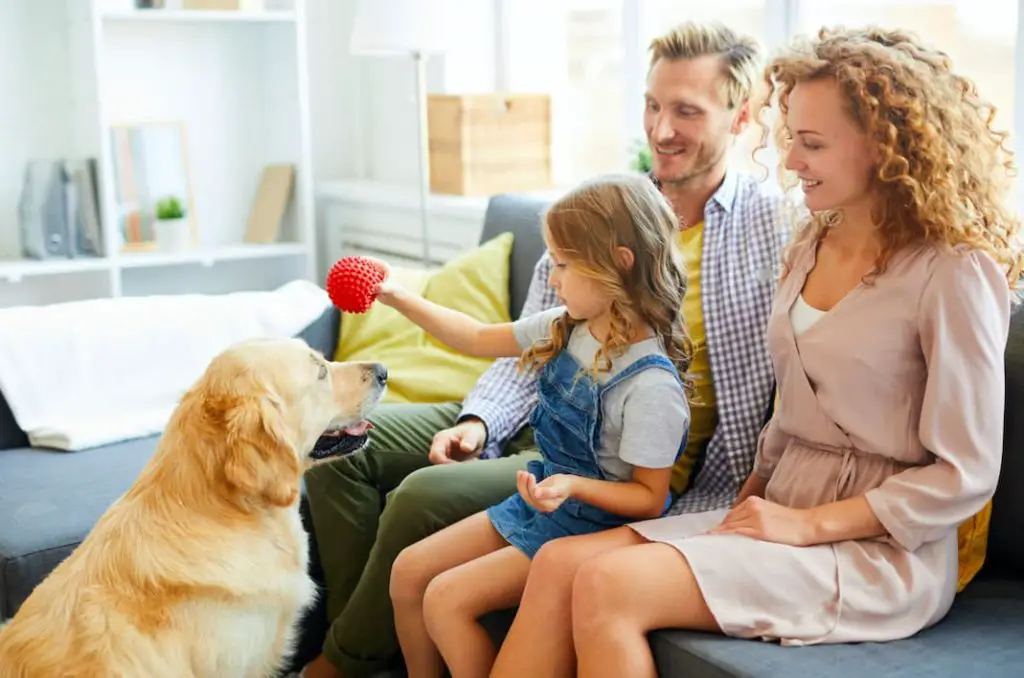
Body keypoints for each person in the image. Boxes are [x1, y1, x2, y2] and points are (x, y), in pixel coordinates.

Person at [491, 25, 1022, 678]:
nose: (790, 160)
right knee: (559, 563)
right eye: (791, 136)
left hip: (875, 549)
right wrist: (750, 500)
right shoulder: (808, 244)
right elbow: (790, 412)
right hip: (774, 509)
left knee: (607, 583)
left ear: (884, 147)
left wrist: (805, 526)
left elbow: (963, 473)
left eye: (813, 143)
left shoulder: (953, 273)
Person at [300, 19, 788, 678]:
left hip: (595, 462)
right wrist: (477, 422)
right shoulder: (602, 214)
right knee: (337, 447)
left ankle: (344, 661)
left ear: (742, 118)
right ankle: (365, 642)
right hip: (529, 405)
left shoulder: (773, 230)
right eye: (651, 104)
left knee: (418, 499)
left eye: (686, 111)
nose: (661, 128)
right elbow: (518, 341)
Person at [379, 172, 693, 678]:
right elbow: (477, 337)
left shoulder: (651, 386)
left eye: (565, 265)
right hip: (546, 501)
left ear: (618, 264)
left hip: (597, 523)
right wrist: (398, 298)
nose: (553, 278)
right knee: (408, 574)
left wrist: (572, 485)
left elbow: (649, 499)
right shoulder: (568, 327)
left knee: (445, 599)